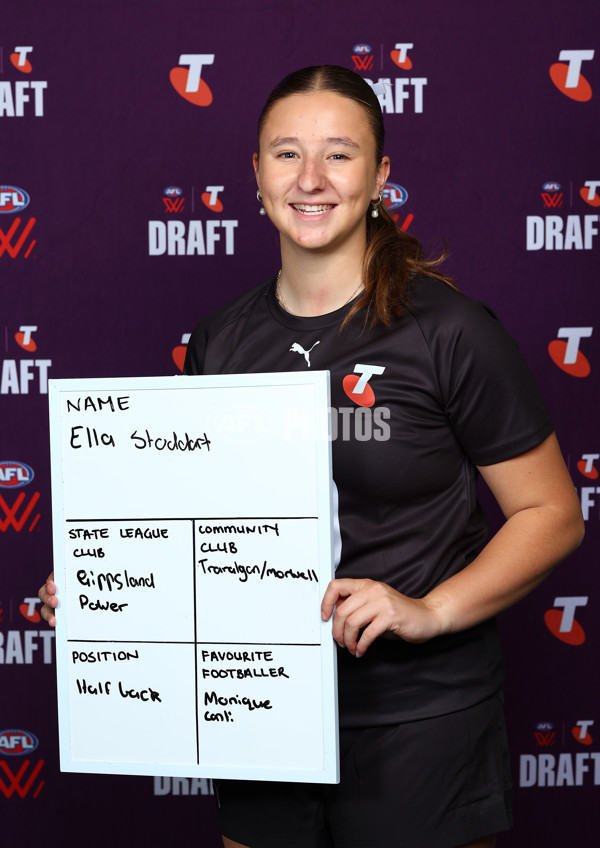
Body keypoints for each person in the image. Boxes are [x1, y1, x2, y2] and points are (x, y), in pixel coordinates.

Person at [39, 65, 584, 848]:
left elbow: (552, 512)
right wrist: (109, 597)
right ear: (257, 175)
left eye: (339, 154)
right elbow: (198, 529)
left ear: (380, 175)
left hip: (419, 719)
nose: (311, 178)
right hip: (259, 716)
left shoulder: (450, 331)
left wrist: (431, 610)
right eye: (287, 153)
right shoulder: (219, 342)